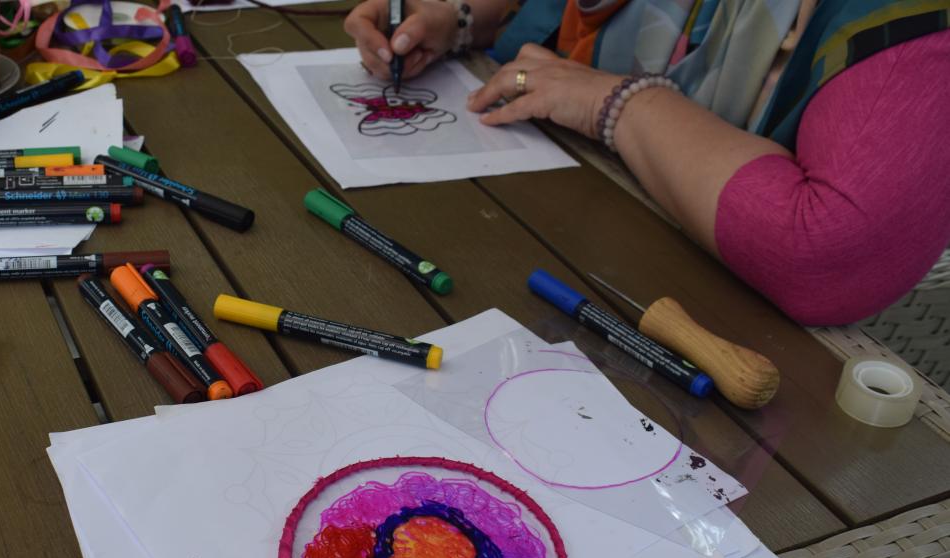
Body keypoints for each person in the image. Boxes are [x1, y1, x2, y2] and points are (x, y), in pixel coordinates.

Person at [345, 0, 950, 325]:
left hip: (734, 347)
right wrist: (466, 16)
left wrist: (616, 103)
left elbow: (828, 251)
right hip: (567, 234)